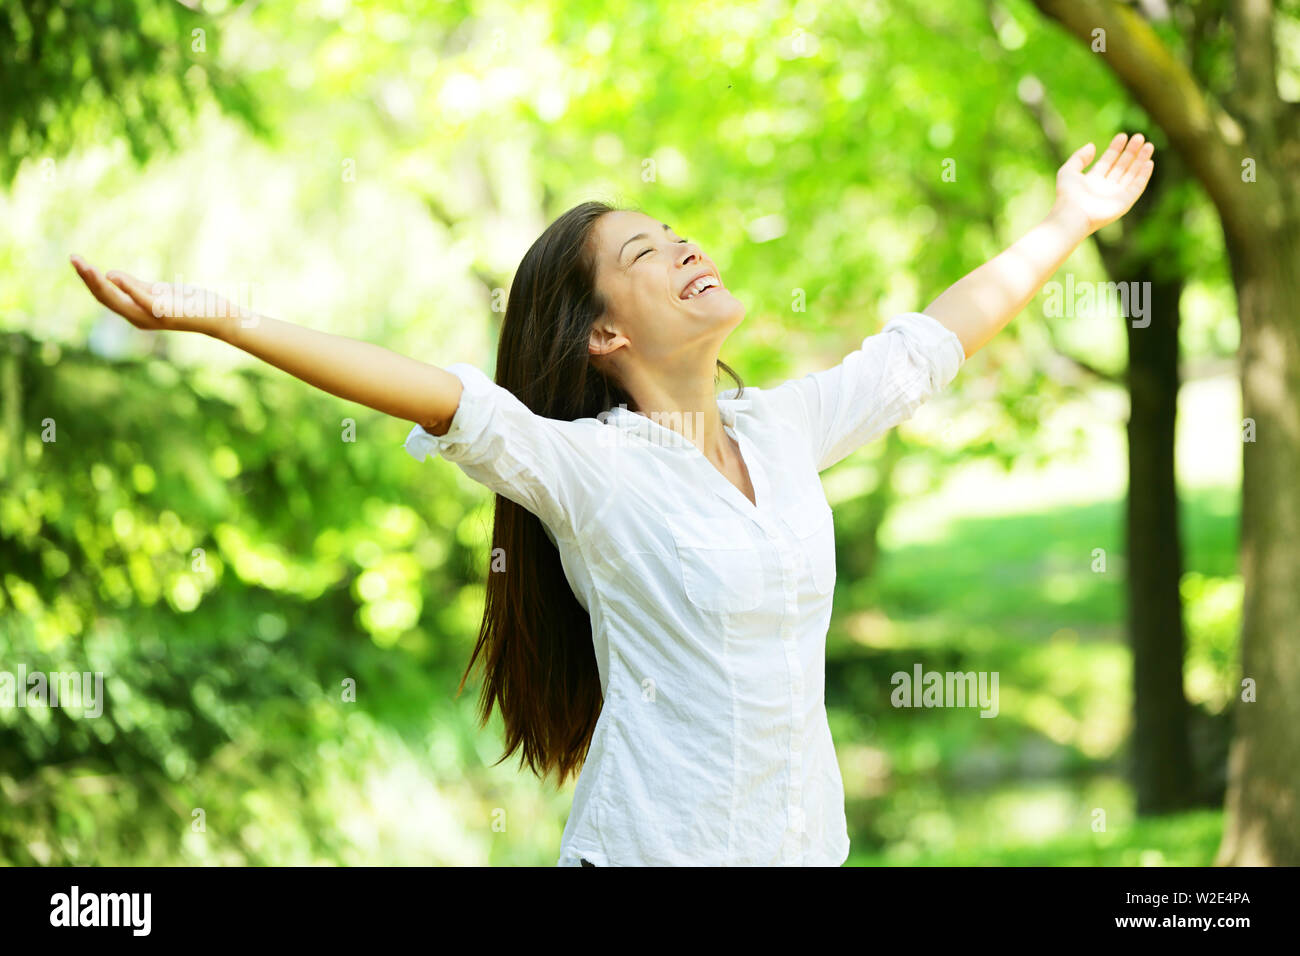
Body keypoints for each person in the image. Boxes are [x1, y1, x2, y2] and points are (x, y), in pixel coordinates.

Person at [70, 133, 1155, 866]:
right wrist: (220, 317)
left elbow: (932, 338)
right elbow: (433, 390)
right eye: (645, 250)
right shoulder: (591, 469)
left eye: (677, 232)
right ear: (604, 333)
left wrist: (1070, 221)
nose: (685, 244)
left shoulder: (784, 430)